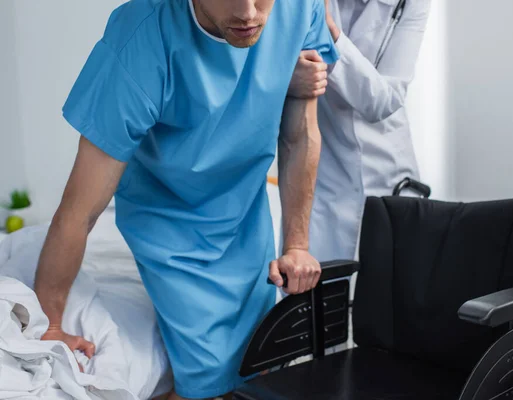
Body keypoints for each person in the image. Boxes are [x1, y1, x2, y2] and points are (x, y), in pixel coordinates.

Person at [33, 0, 338, 399]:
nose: (248, 13)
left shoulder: (300, 7)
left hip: (245, 210)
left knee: (263, 364)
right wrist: (50, 322)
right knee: (209, 382)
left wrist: (296, 245)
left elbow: (300, 133)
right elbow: (80, 211)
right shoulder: (140, 41)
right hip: (168, 220)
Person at [288, 0, 432, 262]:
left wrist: (331, 32)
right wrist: (292, 81)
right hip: (324, 177)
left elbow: (384, 101)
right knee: (317, 292)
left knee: (393, 291)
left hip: (388, 174)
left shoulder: (412, 3)